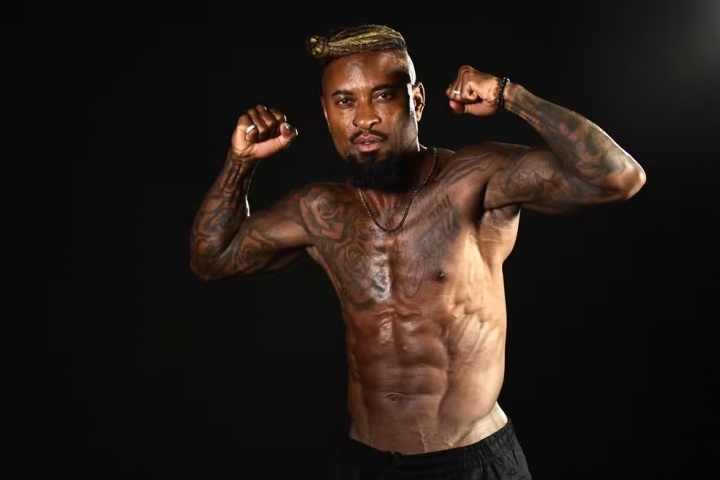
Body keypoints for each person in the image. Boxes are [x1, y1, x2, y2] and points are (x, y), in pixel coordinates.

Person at [189, 23, 646, 480]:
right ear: (327, 114)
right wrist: (239, 164)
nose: (363, 118)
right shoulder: (319, 210)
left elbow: (617, 178)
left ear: (417, 101)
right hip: (367, 463)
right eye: (345, 102)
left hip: (473, 463)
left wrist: (510, 95)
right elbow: (212, 259)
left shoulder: (475, 179)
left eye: (383, 96)